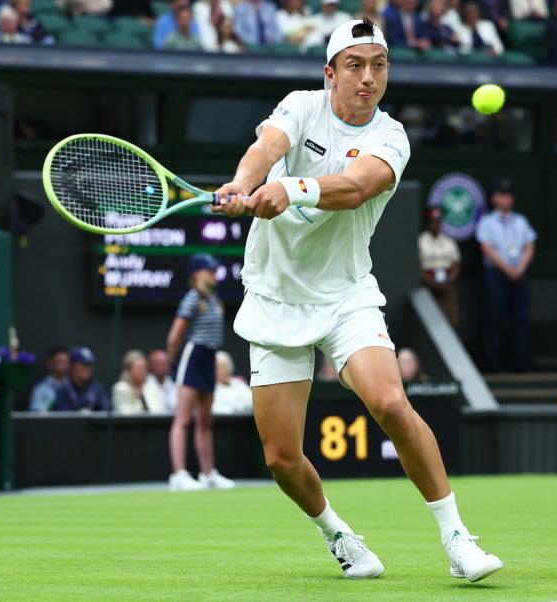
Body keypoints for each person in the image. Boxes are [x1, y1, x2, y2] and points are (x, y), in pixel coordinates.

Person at [211, 18, 503, 581]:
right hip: (274, 297)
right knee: (280, 458)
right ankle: (341, 537)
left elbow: (356, 187)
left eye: (379, 65)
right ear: (330, 72)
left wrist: (289, 188)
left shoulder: (391, 137)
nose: (368, 77)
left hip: (346, 295)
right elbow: (264, 147)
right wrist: (243, 184)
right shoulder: (300, 106)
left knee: (391, 403)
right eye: (354, 65)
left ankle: (457, 539)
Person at [167, 253, 235, 491]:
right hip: (192, 356)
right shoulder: (192, 298)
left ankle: (208, 474)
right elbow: (174, 335)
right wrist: (174, 363)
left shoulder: (214, 299)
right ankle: (179, 474)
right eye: (210, 270)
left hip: (208, 357)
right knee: (183, 418)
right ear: (197, 274)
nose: (214, 274)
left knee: (205, 420)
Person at [477, 177, 536, 373]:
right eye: (502, 195)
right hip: (497, 274)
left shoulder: (521, 221)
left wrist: (519, 268)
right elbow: (487, 248)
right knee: (494, 318)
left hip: (519, 274)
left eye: (509, 195)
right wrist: (508, 269)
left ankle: (521, 362)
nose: (507, 199)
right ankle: (492, 363)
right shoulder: (487, 222)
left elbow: (529, 246)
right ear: (494, 198)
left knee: (521, 318)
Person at [419, 207, 461, 329]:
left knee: (451, 321)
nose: (436, 225)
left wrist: (448, 281)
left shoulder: (448, 241)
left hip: (447, 285)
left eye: (439, 221)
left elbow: (456, 265)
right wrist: (432, 283)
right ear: (427, 223)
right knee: (430, 324)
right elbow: (417, 267)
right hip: (428, 286)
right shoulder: (421, 241)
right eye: (433, 221)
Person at [52, 347, 110, 411]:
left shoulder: (97, 388)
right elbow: (64, 417)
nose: (88, 369)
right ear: (73, 365)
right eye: (84, 365)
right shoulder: (63, 390)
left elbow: (105, 412)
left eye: (90, 365)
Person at [113, 349, 167, 415]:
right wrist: (139, 398)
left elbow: (158, 410)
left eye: (144, 368)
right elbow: (126, 414)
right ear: (128, 370)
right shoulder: (121, 388)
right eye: (139, 368)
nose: (143, 372)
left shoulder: (151, 386)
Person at [29, 347, 70, 412]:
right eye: (60, 362)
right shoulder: (41, 388)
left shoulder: (74, 386)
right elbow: (36, 415)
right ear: (49, 363)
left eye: (66, 362)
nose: (63, 365)